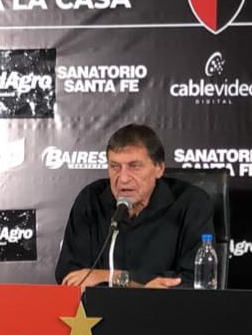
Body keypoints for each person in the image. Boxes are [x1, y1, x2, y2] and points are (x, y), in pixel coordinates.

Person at [55, 123, 214, 290]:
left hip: (165, 305)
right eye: (115, 167)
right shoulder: (91, 199)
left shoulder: (191, 203)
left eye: (134, 166)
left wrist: (113, 277)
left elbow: (196, 281)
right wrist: (139, 282)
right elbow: (70, 275)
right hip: (101, 306)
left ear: (159, 168)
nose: (123, 178)